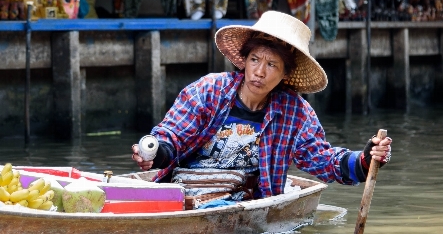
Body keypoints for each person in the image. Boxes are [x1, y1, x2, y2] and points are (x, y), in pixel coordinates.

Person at [131, 11, 391, 204]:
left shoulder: (295, 112)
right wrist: (155, 153)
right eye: (254, 59)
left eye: (272, 65)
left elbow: (324, 161)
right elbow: (172, 136)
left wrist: (366, 159)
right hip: (183, 191)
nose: (259, 72)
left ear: (285, 73)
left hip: (241, 200)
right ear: (244, 60)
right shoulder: (209, 90)